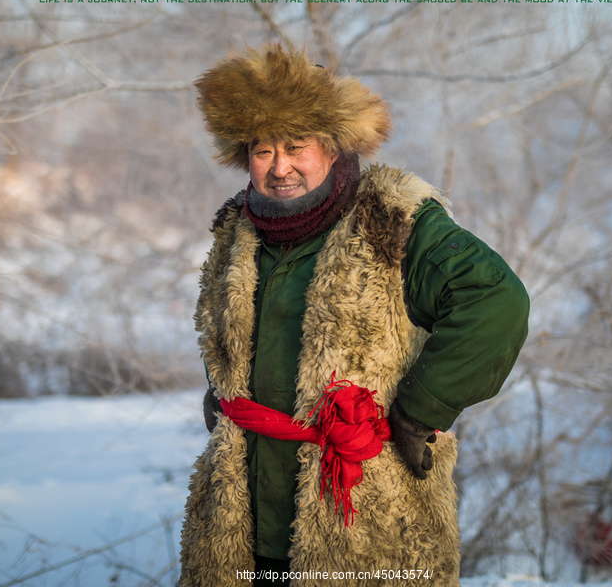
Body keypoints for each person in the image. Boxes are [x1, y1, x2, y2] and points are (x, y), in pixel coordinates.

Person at [178, 44, 529, 587]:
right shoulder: (237, 229)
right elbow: (224, 324)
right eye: (263, 150)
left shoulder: (391, 220)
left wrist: (423, 408)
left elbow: (495, 301)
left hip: (363, 510)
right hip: (245, 517)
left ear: (334, 145)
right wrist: (223, 387)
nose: (280, 167)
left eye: (296, 146)